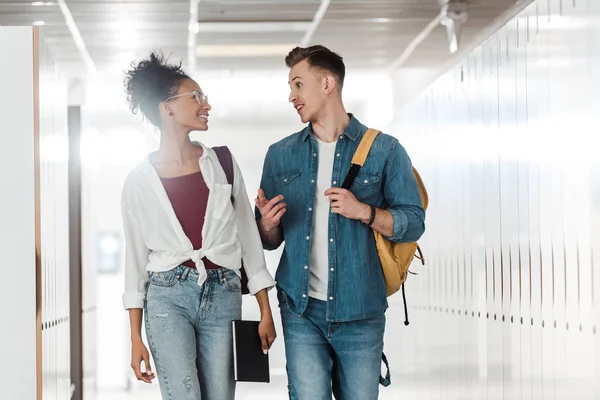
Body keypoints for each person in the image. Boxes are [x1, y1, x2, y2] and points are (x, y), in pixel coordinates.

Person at [255, 45, 426, 399]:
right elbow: (269, 240)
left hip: (360, 310)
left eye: (299, 85)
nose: (292, 96)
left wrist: (364, 211)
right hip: (301, 310)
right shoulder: (280, 154)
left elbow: (414, 222)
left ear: (328, 83)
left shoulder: (386, 151)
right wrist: (267, 225)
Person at [121, 52, 277, 400]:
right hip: (166, 297)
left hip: (223, 292)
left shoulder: (221, 162)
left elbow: (249, 242)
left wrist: (266, 310)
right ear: (168, 108)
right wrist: (135, 338)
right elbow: (134, 261)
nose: (206, 104)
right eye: (196, 97)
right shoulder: (138, 182)